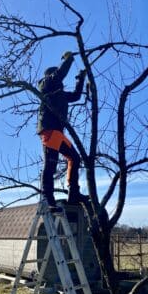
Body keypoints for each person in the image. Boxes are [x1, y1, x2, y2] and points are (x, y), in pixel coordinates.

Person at [37, 51, 88, 210]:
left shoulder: (60, 94)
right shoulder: (45, 84)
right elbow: (58, 75)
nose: (61, 83)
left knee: (74, 158)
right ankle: (47, 197)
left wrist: (81, 79)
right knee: (50, 164)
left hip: (59, 133)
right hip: (50, 130)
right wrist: (68, 59)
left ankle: (74, 193)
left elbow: (76, 96)